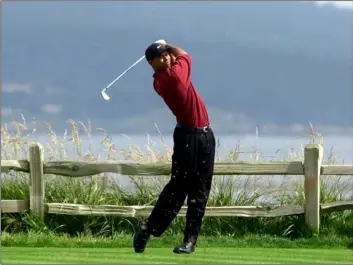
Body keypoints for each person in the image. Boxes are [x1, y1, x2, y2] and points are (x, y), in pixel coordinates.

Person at [133, 40, 216, 254]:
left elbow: (179, 57)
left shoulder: (164, 76)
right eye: (161, 56)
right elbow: (185, 55)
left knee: (200, 191)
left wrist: (167, 49)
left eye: (167, 54)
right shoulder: (171, 77)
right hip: (188, 137)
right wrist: (169, 45)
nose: (167, 57)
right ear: (152, 63)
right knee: (179, 188)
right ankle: (148, 227)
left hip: (205, 135)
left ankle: (190, 241)